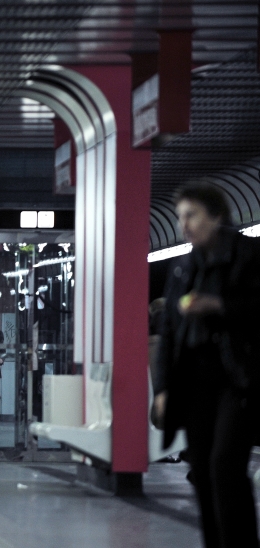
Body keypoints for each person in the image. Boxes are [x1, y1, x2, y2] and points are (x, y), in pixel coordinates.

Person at [151, 183, 260, 548]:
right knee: (202, 471)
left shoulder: (249, 255)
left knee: (225, 465)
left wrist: (217, 306)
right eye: (180, 216)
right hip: (194, 386)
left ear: (216, 215)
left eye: (191, 215)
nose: (184, 224)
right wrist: (163, 388)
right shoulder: (185, 268)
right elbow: (169, 334)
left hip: (237, 380)